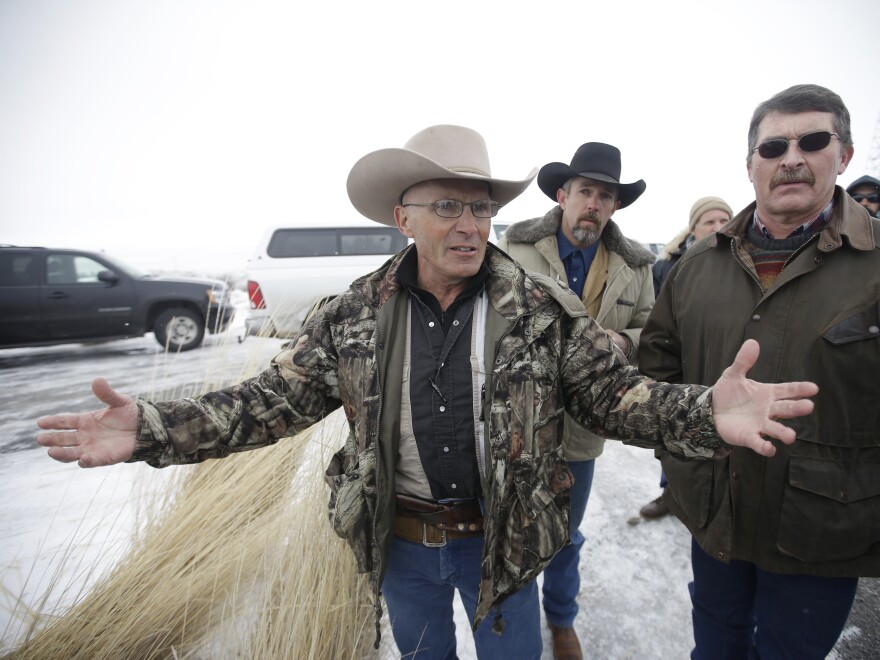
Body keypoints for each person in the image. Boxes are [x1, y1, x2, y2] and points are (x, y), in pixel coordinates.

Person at [36, 124, 819, 660]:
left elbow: (620, 399)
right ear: (403, 217)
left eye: (480, 207)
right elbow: (261, 405)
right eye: (448, 206)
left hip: (503, 547)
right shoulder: (352, 316)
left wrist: (702, 413)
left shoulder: (539, 312)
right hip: (402, 545)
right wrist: (152, 429)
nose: (470, 224)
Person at [639, 84, 880, 659]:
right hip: (713, 515)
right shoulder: (694, 268)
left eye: (813, 140)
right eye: (773, 147)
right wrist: (685, 449)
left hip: (818, 536)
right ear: (751, 166)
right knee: (715, 648)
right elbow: (656, 370)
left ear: (843, 155)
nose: (792, 157)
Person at [497, 141, 654, 659]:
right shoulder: (514, 250)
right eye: (586, 191)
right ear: (563, 195)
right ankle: (509, 618)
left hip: (583, 431)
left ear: (615, 206)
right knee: (510, 524)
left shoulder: (634, 267)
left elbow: (650, 328)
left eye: (606, 196)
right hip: (513, 421)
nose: (594, 204)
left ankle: (561, 619)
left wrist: (624, 342)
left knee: (564, 533)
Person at [639, 195, 733, 520]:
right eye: (710, 221)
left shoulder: (739, 260)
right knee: (676, 429)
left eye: (724, 220)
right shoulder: (668, 264)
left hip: (722, 363)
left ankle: (723, 501)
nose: (718, 227)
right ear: (694, 227)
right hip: (682, 364)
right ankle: (671, 493)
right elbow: (653, 318)